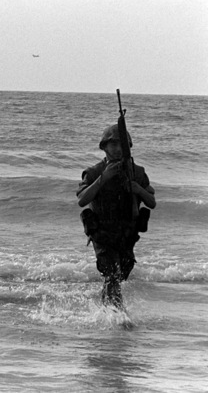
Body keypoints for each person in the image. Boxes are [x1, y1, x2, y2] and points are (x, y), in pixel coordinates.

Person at [77, 124, 156, 308]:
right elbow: (82, 200)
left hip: (126, 235)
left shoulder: (137, 172)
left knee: (119, 276)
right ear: (104, 147)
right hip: (103, 234)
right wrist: (103, 178)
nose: (119, 149)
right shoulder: (94, 172)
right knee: (111, 274)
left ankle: (106, 311)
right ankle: (117, 317)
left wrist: (137, 189)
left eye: (123, 145)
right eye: (113, 145)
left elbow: (152, 201)